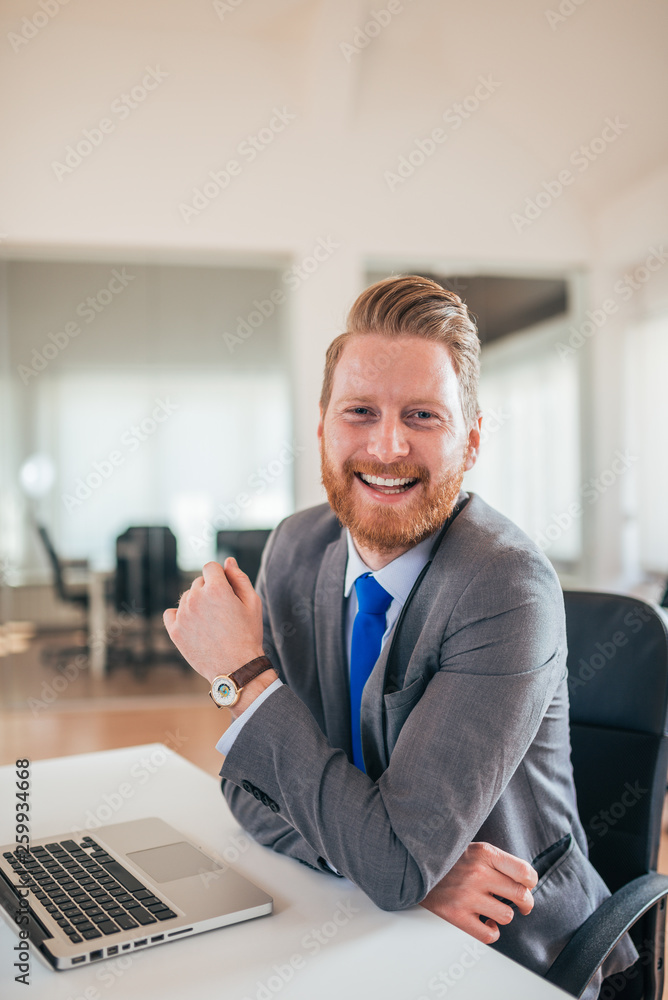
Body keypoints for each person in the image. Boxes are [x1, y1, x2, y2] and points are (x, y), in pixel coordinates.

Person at [164, 275, 636, 996]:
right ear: (322, 424)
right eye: (360, 411)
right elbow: (248, 790)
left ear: (471, 440)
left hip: (513, 956)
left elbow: (383, 858)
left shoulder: (506, 587)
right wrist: (403, 870)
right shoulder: (295, 549)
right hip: (366, 919)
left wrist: (243, 675)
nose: (388, 447)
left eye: (422, 415)